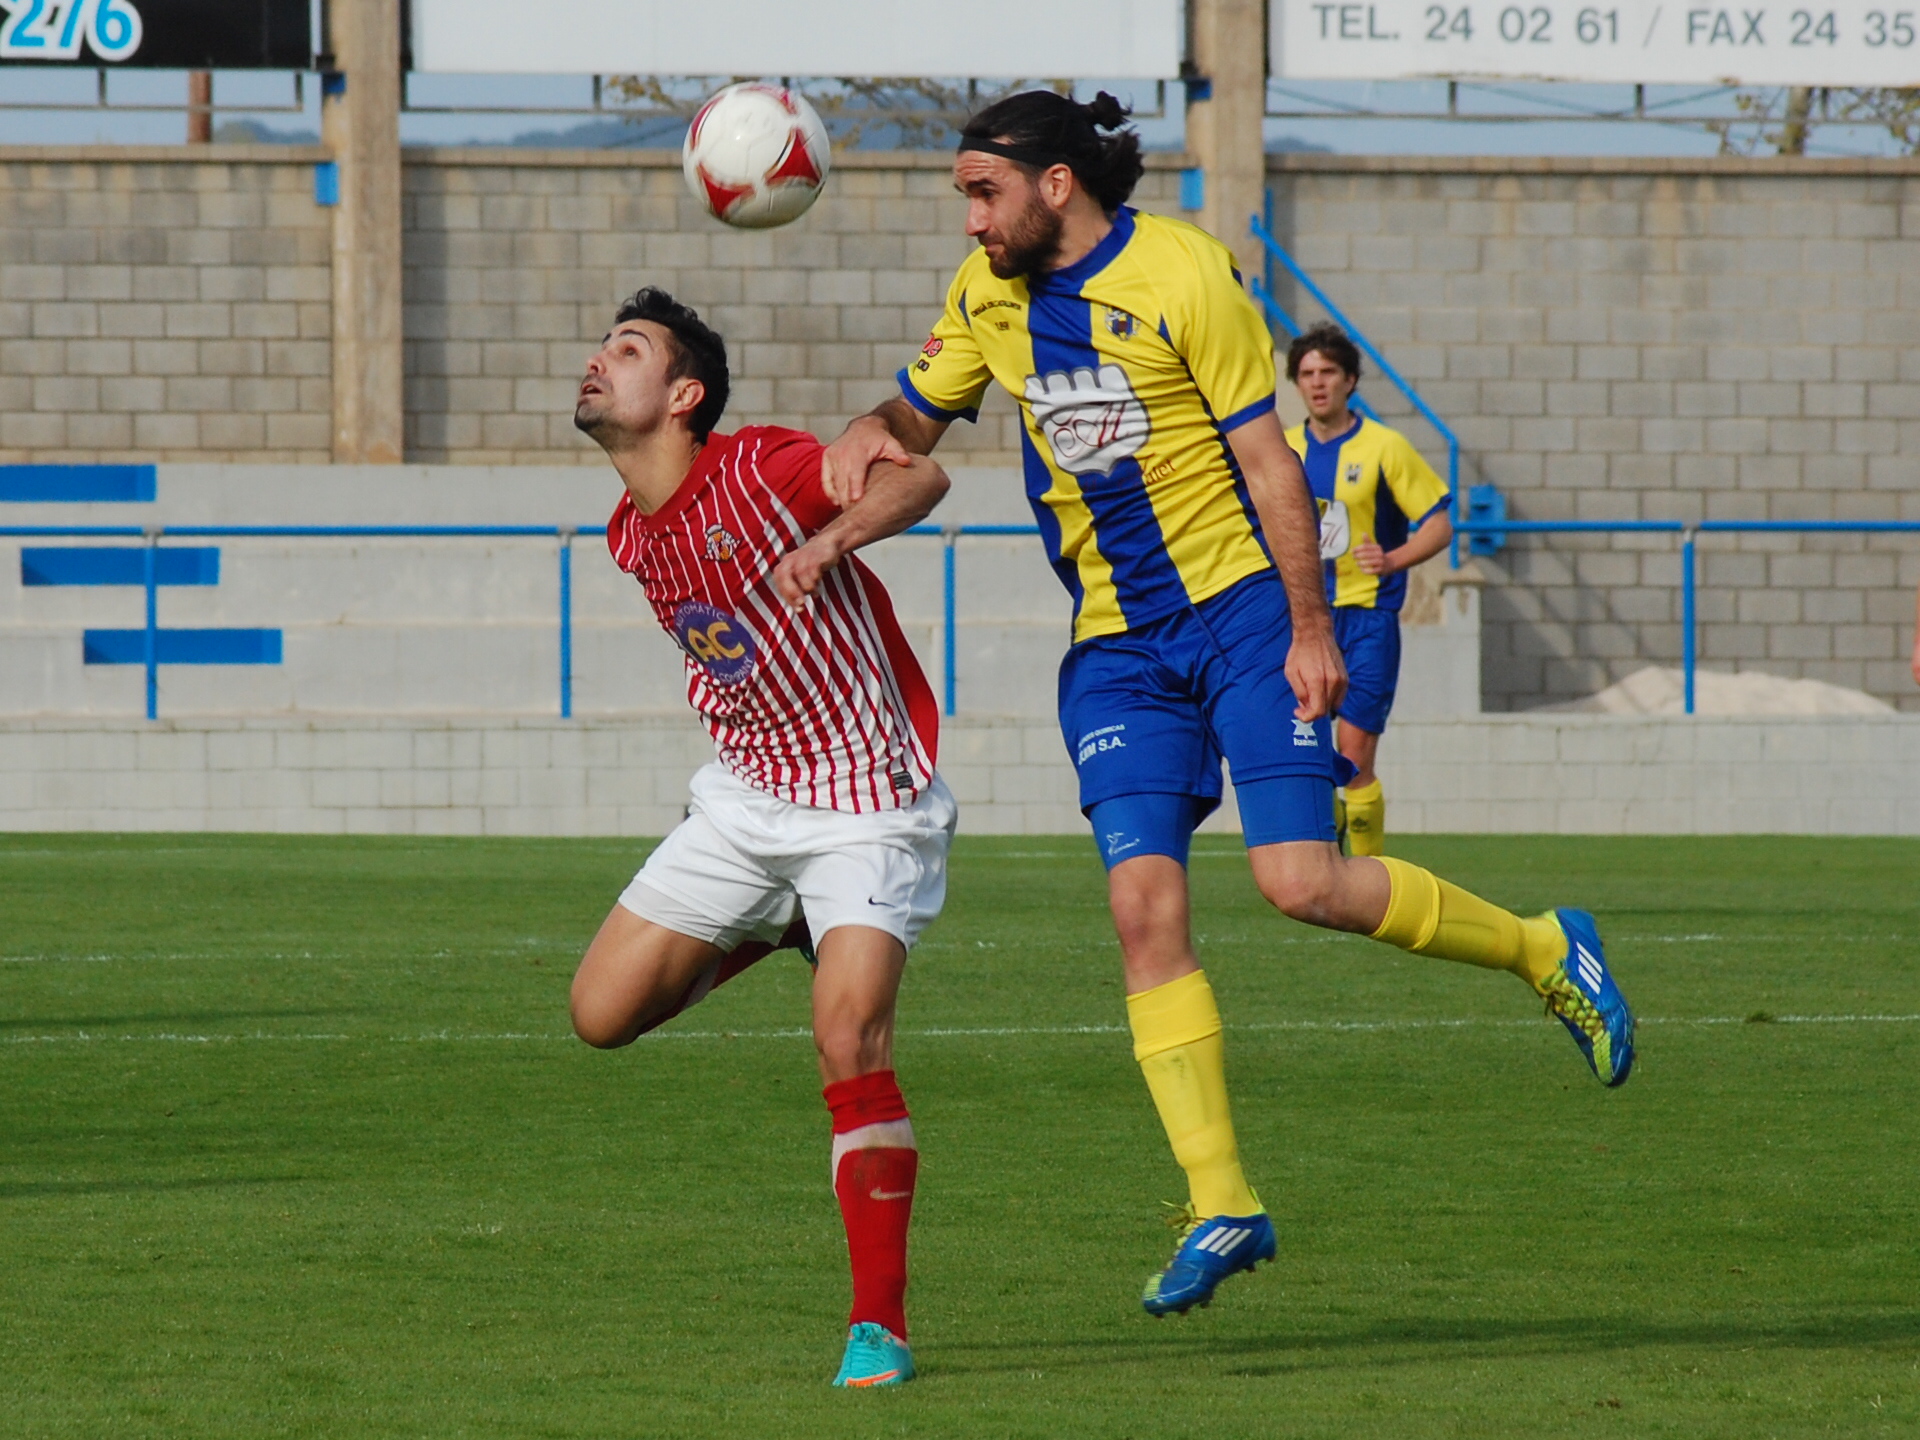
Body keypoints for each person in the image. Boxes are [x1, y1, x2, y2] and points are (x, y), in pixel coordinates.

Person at [821, 90, 1636, 1320]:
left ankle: (1541, 945)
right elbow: (916, 413)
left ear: (1053, 185)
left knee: (1300, 882)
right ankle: (1224, 1204)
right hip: (1114, 646)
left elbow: (1269, 464)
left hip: (1246, 617)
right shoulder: (982, 296)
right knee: (1142, 912)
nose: (971, 217)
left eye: (984, 191)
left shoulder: (1185, 273)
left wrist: (1314, 630)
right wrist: (866, 431)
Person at [567, 287, 956, 1389]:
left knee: (849, 1043)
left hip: (864, 803)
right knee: (599, 1017)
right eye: (603, 345)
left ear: (684, 395)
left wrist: (832, 538)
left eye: (626, 348)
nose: (599, 361)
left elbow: (922, 475)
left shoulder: (758, 467)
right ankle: (792, 923)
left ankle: (878, 1326)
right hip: (745, 804)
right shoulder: (627, 533)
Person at [1285, 324, 1454, 856]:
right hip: (1299, 621)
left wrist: (1393, 559)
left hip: (1366, 619)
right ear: (1295, 383)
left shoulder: (1385, 446)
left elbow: (1438, 523)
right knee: (1302, 751)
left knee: (1354, 755)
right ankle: (1317, 863)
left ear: (1350, 380)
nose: (1318, 384)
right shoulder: (1282, 449)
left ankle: (1369, 875)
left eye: (1328, 373)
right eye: (1307, 374)